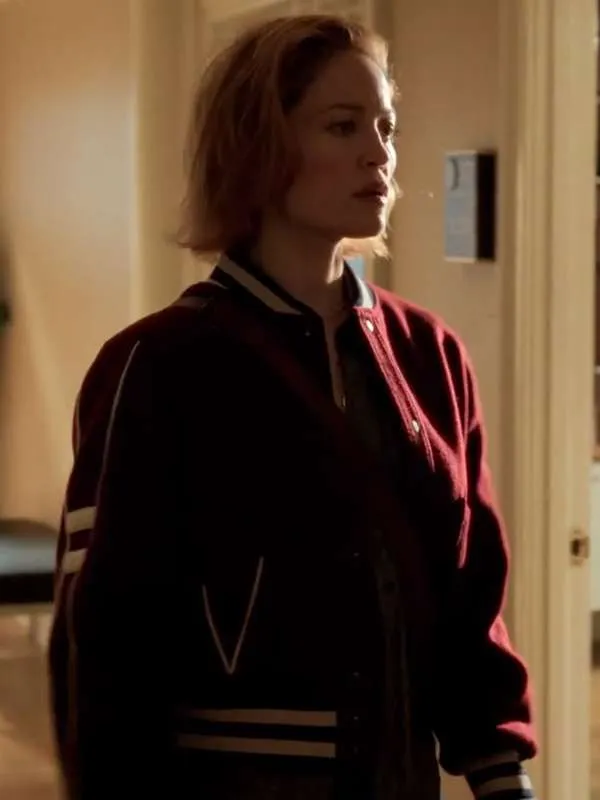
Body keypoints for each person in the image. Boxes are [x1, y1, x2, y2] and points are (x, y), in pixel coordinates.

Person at [48, 14, 537, 800]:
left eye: (386, 127)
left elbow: (471, 598)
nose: (379, 154)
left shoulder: (430, 354)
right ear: (259, 147)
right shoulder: (159, 365)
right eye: (343, 126)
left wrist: (502, 774)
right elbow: (108, 645)